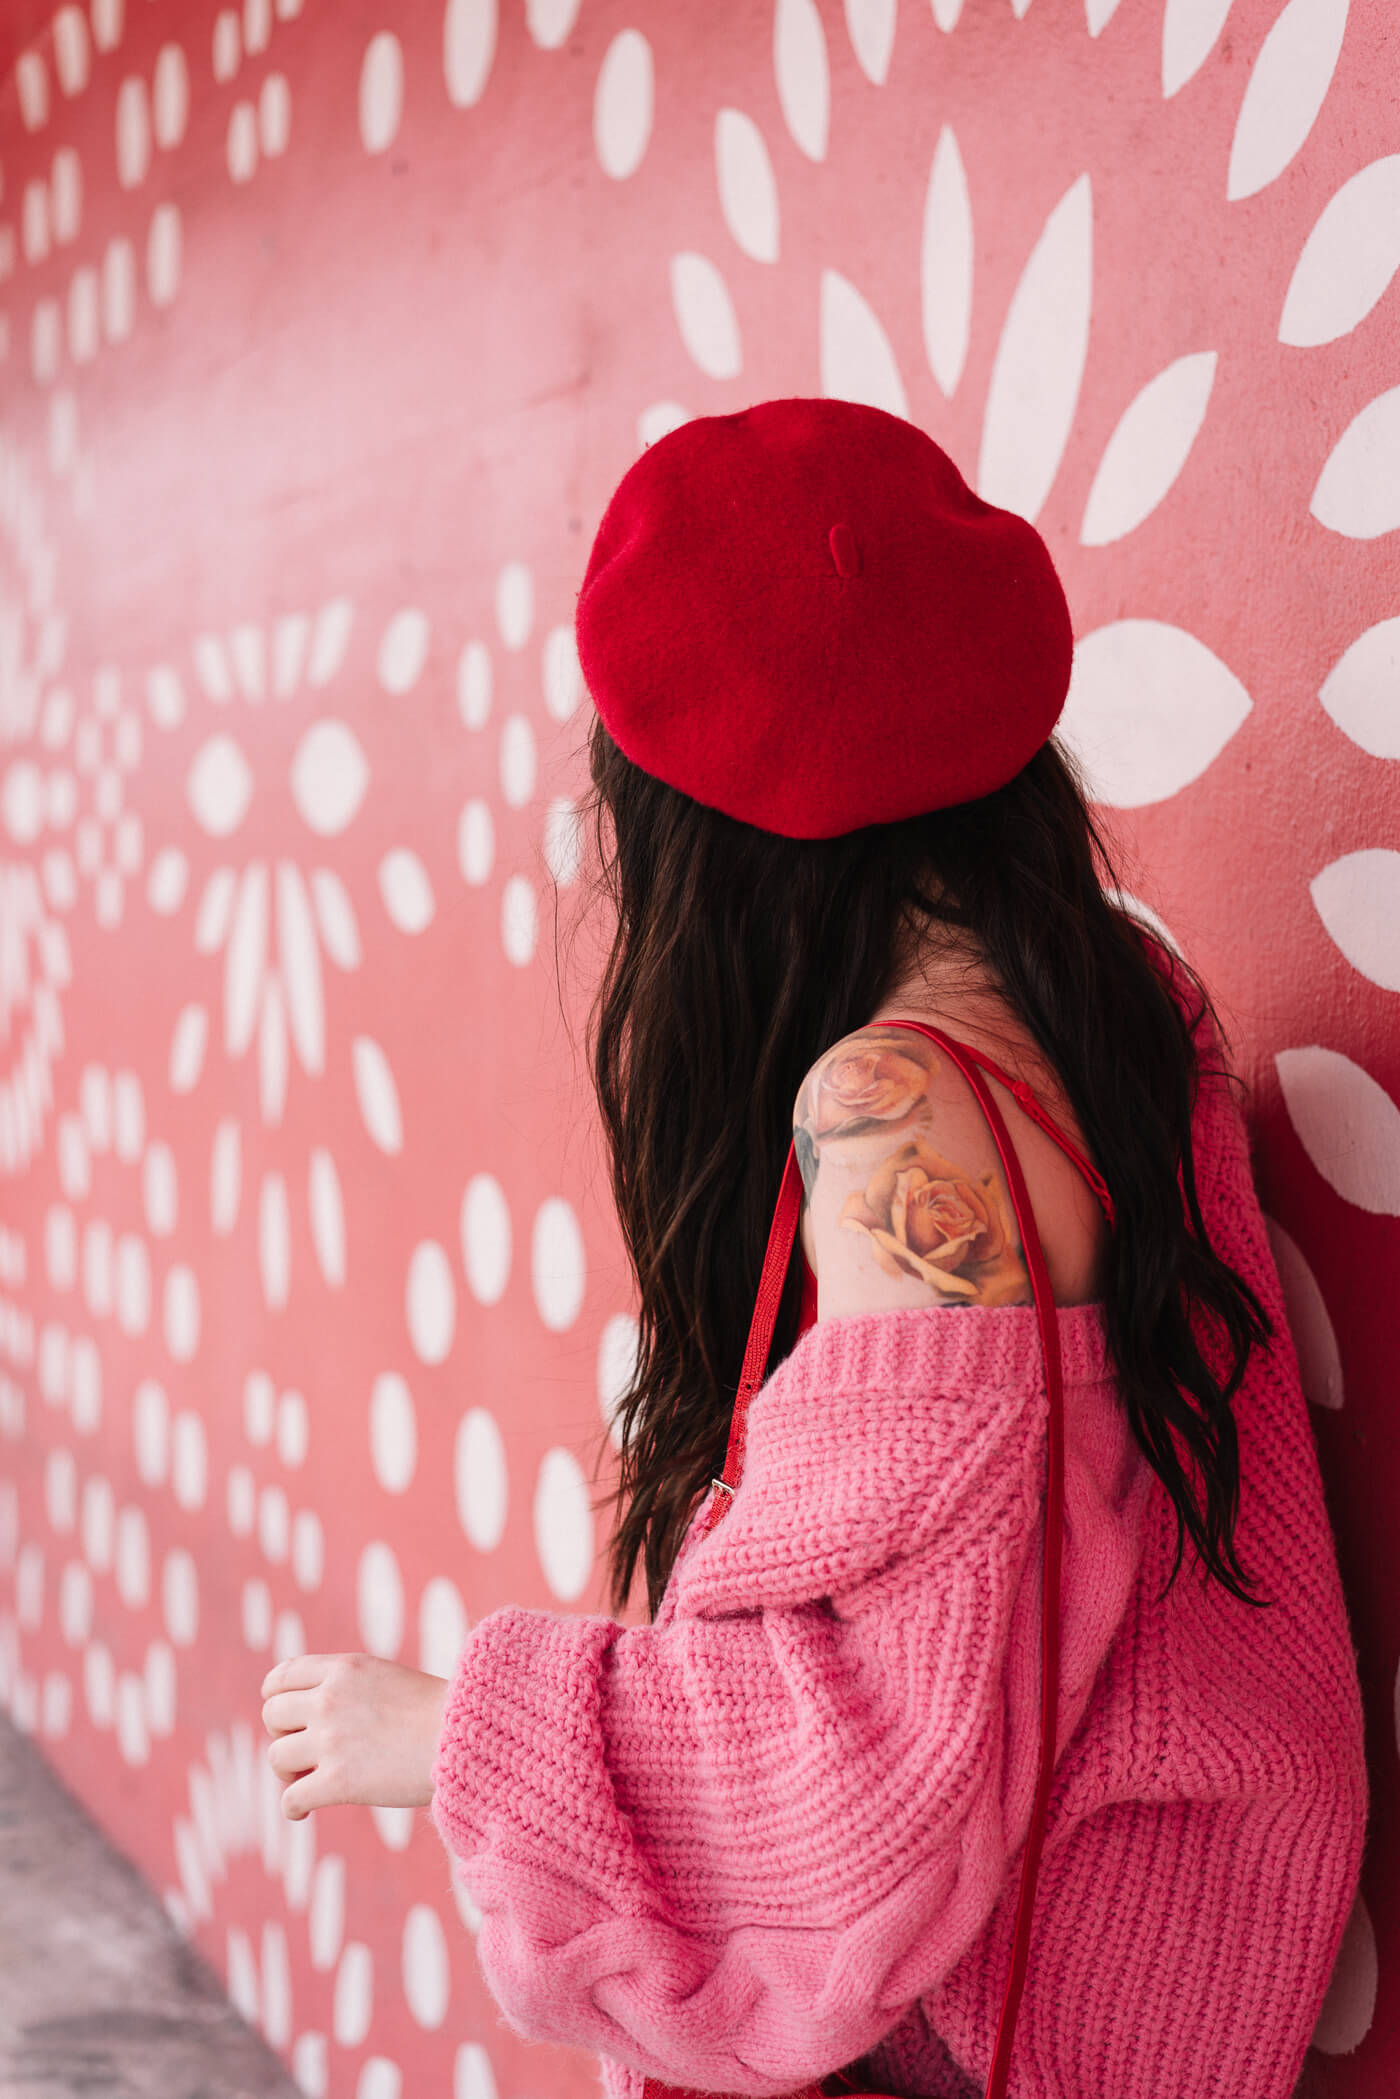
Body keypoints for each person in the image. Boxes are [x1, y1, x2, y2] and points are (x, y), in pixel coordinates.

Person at [259, 399, 1368, 2099]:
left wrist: (460, 1730)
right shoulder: (1114, 1007)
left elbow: (867, 1809)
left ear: (692, 826)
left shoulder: (896, 1117)